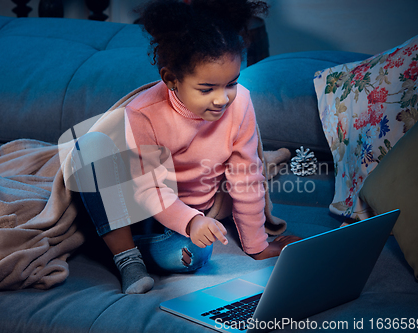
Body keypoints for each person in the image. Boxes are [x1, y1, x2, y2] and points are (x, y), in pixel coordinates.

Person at [71, 0, 300, 295]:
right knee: (90, 145)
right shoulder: (144, 113)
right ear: (171, 79)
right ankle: (124, 255)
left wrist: (257, 246)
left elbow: (246, 177)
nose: (222, 99)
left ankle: (99, 239)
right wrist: (191, 221)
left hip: (182, 219)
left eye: (231, 83)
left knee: (190, 256)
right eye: (206, 89)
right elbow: (147, 188)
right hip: (137, 204)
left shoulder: (241, 102)